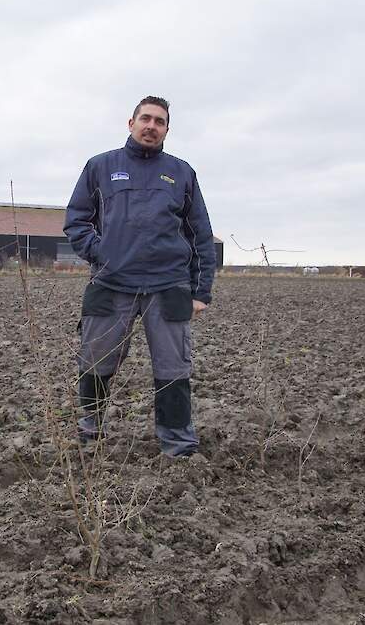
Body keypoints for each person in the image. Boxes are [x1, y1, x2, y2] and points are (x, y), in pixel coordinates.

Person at [63, 95, 217, 458]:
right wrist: (103, 253)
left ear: (166, 130)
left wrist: (201, 291)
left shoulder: (182, 173)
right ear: (130, 124)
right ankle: (89, 433)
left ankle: (178, 445)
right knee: (95, 361)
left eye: (159, 121)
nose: (151, 126)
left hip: (169, 287)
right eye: (145, 118)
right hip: (110, 284)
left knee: (173, 368)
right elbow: (76, 220)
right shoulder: (100, 167)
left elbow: (201, 235)